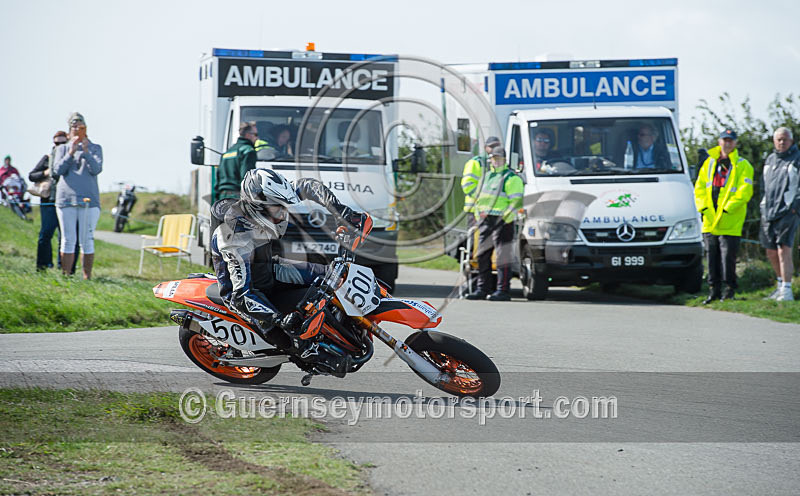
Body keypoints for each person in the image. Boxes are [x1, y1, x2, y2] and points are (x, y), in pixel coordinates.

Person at [211, 168, 366, 358]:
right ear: (259, 207)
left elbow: (309, 186)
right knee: (295, 345)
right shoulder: (234, 237)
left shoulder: (271, 197)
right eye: (279, 209)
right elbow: (241, 296)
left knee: (332, 276)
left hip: (269, 267)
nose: (284, 214)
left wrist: (341, 211)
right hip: (247, 291)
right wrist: (280, 319)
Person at [694, 128, 754, 303]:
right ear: (719, 141)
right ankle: (713, 291)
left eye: (730, 140)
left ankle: (729, 290)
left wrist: (728, 208)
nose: (727, 143)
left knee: (728, 258)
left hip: (730, 220)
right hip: (710, 219)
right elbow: (699, 189)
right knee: (711, 257)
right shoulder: (709, 163)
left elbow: (744, 191)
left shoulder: (743, 165)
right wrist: (703, 208)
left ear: (735, 143)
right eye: (724, 140)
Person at [466, 146, 524, 301]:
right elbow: (479, 198)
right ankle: (482, 289)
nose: (495, 161)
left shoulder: (511, 178)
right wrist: (479, 216)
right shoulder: (486, 177)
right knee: (482, 255)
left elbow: (516, 200)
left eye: (498, 158)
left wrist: (505, 216)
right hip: (485, 219)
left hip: (503, 221)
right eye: (493, 158)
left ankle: (503, 290)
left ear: (504, 160)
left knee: (501, 257)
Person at [53, 112, 103, 279]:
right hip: (66, 200)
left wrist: (86, 151)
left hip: (89, 201)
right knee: (68, 239)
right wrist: (71, 151)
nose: (77, 129)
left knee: (87, 239)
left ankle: (87, 277)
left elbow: (96, 169)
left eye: (80, 126)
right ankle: (66, 276)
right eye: (74, 126)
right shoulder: (61, 149)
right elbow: (58, 170)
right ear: (69, 130)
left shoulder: (96, 148)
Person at [760, 127, 800, 302]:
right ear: (774, 141)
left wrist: (794, 207)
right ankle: (779, 285)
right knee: (770, 251)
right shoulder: (770, 159)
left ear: (791, 141)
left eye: (785, 139)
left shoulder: (797, 159)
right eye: (778, 139)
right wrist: (763, 205)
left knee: (784, 249)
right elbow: (764, 184)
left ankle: (788, 289)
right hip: (768, 211)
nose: (782, 142)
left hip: (787, 211)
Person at [29, 131, 69, 270]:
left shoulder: (71, 159)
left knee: (63, 236)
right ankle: (43, 265)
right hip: (48, 201)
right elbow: (32, 175)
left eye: (63, 143)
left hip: (65, 201)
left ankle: (62, 266)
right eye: (57, 143)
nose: (59, 146)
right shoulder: (47, 158)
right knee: (45, 234)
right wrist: (45, 172)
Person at [215, 121, 258, 201]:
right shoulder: (248, 151)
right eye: (255, 134)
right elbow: (246, 179)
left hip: (222, 197)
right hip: (237, 197)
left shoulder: (227, 153)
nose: (257, 138)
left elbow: (218, 179)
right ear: (248, 135)